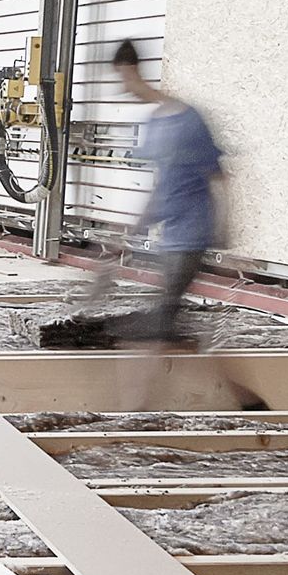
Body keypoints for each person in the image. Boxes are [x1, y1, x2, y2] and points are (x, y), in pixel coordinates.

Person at [92, 39, 226, 349]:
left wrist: (223, 228)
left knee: (156, 325)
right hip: (171, 237)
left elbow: (220, 178)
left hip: (191, 237)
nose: (121, 89)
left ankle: (139, 397)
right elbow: (161, 190)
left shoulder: (188, 120)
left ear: (129, 70)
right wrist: (128, 235)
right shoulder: (155, 123)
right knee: (166, 325)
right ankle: (236, 391)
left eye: (119, 78)